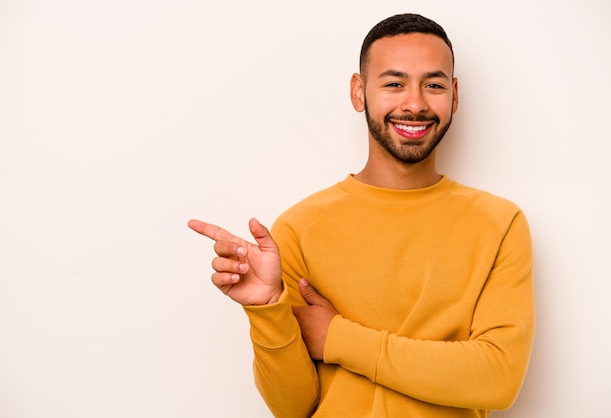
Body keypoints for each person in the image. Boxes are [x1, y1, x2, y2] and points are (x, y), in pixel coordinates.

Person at [188, 13, 535, 418]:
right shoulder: (299, 228)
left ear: (454, 96)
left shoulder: (499, 224)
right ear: (358, 92)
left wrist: (338, 338)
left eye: (434, 85)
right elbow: (293, 407)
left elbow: (498, 379)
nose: (415, 104)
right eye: (393, 83)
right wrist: (267, 309)